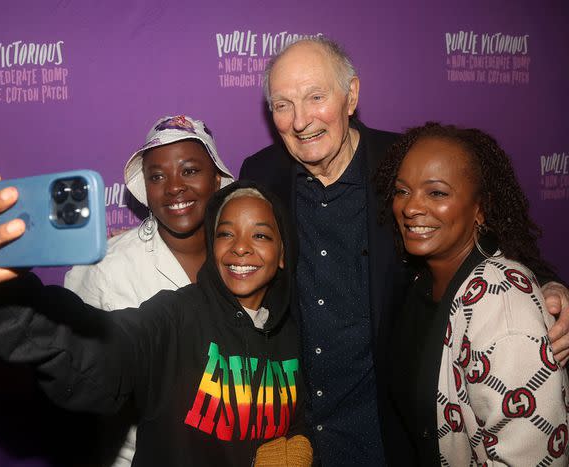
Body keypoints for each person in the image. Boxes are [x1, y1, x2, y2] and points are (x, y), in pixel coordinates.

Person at [239, 36, 569, 465]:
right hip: (301, 436)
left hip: (392, 431)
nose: (300, 121)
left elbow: (487, 228)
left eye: (315, 97)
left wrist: (549, 285)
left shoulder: (403, 164)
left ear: (351, 95)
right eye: (282, 105)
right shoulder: (259, 173)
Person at [0, 177, 310, 467]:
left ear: (282, 254)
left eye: (260, 235)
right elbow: (106, 350)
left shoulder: (299, 331)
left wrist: (302, 440)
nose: (240, 246)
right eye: (225, 233)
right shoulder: (176, 316)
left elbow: (321, 409)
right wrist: (1, 297)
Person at [375, 122, 569, 465]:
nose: (410, 207)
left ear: (481, 208)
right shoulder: (423, 280)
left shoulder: (501, 302)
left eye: (436, 193)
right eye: (402, 191)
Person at [65, 115, 234, 466]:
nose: (174, 187)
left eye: (189, 171)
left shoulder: (244, 263)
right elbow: (73, 373)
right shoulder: (106, 266)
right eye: (157, 176)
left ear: (217, 179)